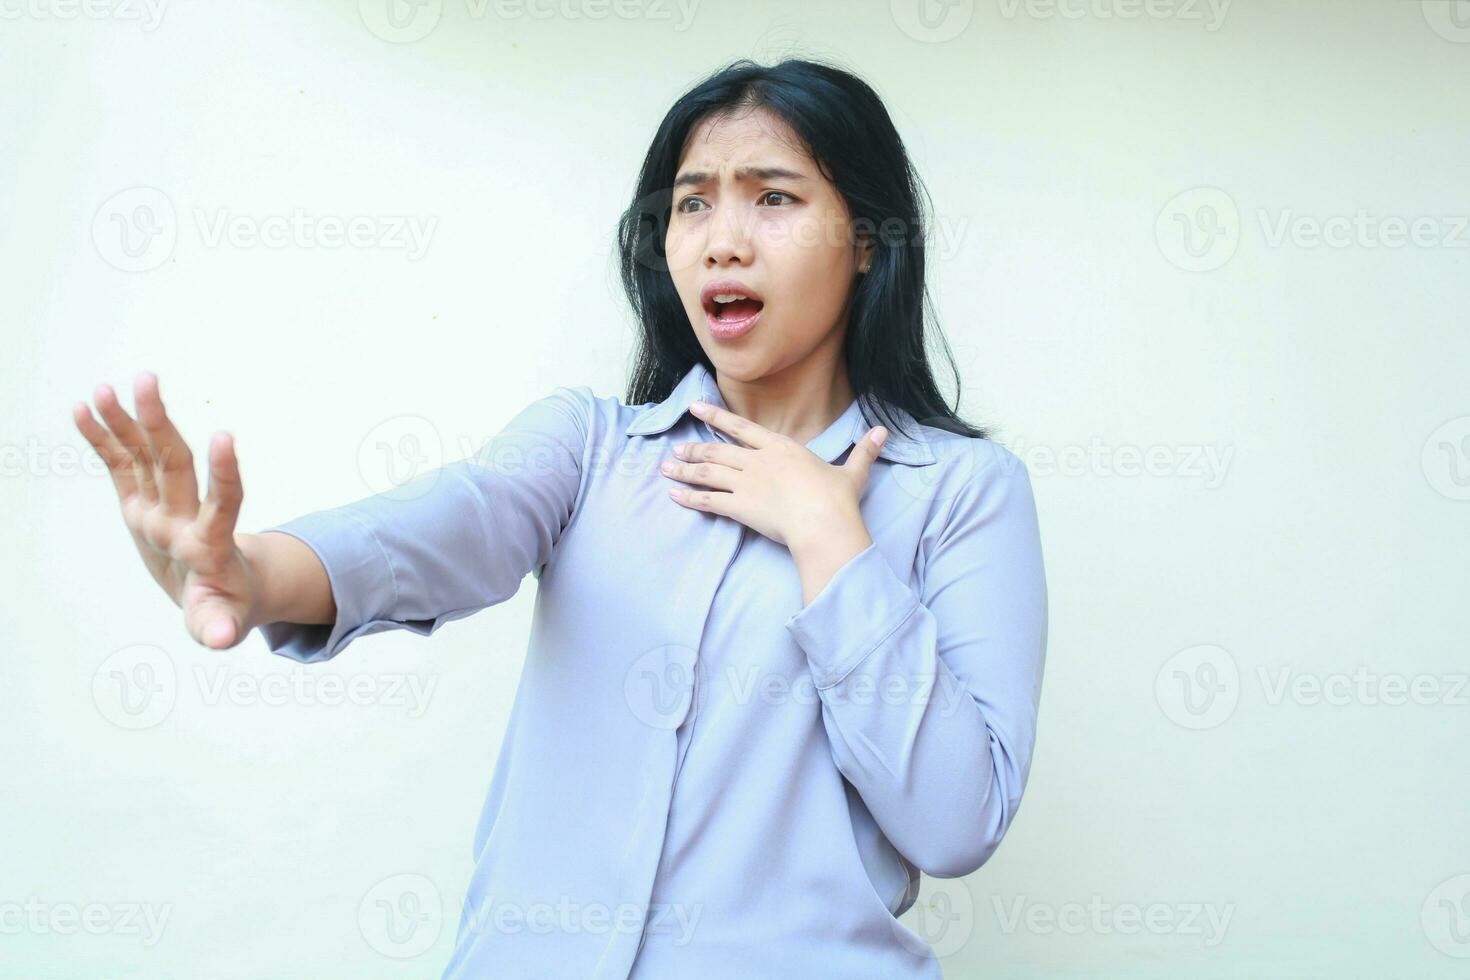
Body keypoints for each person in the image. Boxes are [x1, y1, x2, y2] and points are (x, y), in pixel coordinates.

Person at [73, 57, 1048, 980]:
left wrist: (829, 536)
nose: (721, 237)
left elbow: (956, 817)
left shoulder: (964, 490)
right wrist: (249, 572)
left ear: (869, 237)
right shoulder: (589, 449)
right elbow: (446, 525)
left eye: (775, 196)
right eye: (692, 201)